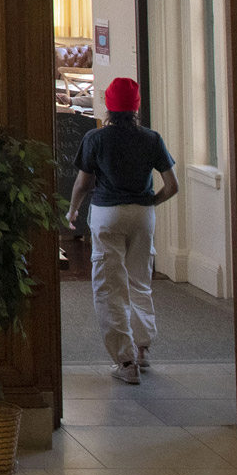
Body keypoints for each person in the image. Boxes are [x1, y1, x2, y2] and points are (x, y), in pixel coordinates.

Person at [66, 75, 178, 385]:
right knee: (139, 282)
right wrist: (149, 204)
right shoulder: (152, 139)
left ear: (108, 107)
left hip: (106, 214)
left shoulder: (96, 138)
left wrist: (73, 208)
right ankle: (142, 349)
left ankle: (125, 361)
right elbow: (172, 186)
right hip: (142, 215)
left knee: (109, 286)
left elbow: (83, 183)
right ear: (136, 107)